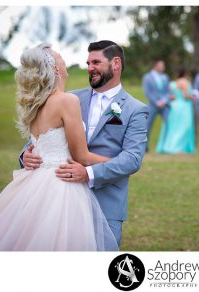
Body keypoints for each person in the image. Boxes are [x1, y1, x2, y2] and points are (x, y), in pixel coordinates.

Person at [0, 43, 119, 251]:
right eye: (61, 57)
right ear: (56, 68)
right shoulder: (67, 101)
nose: (65, 60)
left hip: (35, 183)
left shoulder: (36, 104)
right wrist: (116, 161)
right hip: (62, 185)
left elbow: (41, 145)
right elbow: (81, 156)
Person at [20, 40, 149, 248]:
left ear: (116, 64)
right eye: (88, 63)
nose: (90, 68)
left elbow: (132, 159)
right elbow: (40, 138)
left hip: (106, 202)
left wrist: (88, 173)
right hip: (57, 200)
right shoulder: (69, 98)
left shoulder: (136, 110)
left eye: (96, 62)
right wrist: (25, 154)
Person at [156, 68, 196, 154]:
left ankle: (169, 145)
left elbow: (170, 96)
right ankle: (178, 147)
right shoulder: (185, 82)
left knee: (173, 127)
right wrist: (193, 96)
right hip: (184, 106)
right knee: (184, 127)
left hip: (174, 106)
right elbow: (185, 96)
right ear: (185, 74)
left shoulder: (173, 83)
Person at [142, 59, 170, 151]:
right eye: (161, 65)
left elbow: (168, 91)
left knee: (169, 123)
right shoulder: (147, 77)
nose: (163, 67)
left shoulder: (165, 77)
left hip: (165, 105)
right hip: (153, 105)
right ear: (155, 66)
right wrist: (157, 102)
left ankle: (167, 145)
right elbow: (147, 92)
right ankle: (145, 147)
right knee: (147, 125)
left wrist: (164, 100)